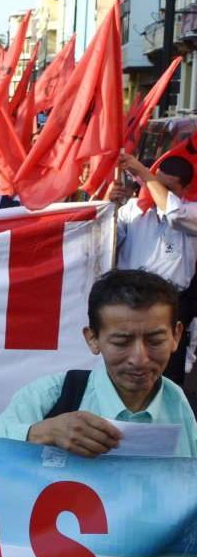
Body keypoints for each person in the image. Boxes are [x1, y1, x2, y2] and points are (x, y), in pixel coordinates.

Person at [0, 269, 197, 458]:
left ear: (176, 336)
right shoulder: (50, 396)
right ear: (93, 339)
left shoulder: (185, 408)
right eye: (121, 342)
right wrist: (44, 432)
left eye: (155, 341)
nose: (139, 358)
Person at [111, 153, 197, 387]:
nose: (155, 189)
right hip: (128, 300)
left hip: (168, 304)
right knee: (125, 366)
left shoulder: (191, 212)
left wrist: (144, 172)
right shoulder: (133, 209)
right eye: (156, 182)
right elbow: (106, 241)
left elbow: (174, 214)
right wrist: (112, 205)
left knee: (165, 375)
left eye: (166, 186)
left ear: (184, 187)